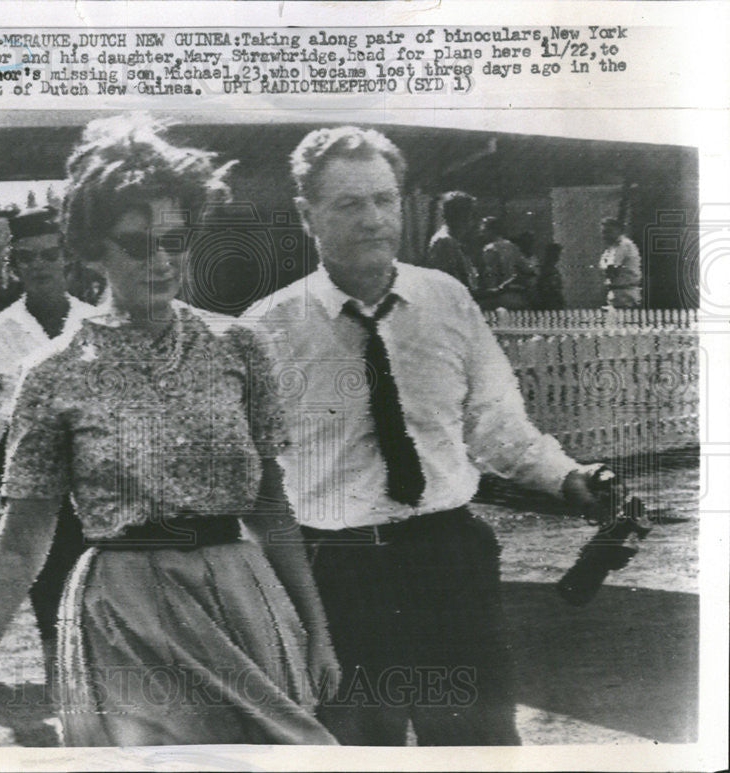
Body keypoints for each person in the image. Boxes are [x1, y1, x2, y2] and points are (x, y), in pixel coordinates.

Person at [0, 117, 339, 747]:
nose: (163, 260)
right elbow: (23, 535)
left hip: (241, 600)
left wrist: (314, 628)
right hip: (123, 612)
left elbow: (270, 502)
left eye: (175, 239)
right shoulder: (52, 374)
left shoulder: (238, 346)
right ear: (91, 250)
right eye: (137, 244)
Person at [246, 126, 615, 746]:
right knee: (357, 751)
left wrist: (568, 476)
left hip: (448, 561)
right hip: (338, 575)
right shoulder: (267, 331)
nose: (373, 219)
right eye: (350, 204)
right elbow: (253, 479)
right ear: (307, 216)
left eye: (384, 199)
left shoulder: (447, 301)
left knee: (478, 744)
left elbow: (498, 427)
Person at [0, 205, 98, 686]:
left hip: (96, 478)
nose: (39, 266)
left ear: (67, 260)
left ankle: (100, 680)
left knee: (100, 578)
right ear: (14, 267)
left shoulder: (98, 322)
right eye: (27, 258)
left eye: (49, 255)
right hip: (30, 483)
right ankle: (63, 682)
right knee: (47, 579)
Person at [475, 216, 536, 310]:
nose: (481, 233)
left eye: (484, 230)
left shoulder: (489, 249)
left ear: (491, 230)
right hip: (514, 296)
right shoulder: (512, 247)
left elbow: (490, 276)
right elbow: (529, 270)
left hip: (496, 298)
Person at [425, 191, 480, 293]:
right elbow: (453, 289)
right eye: (470, 214)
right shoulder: (445, 242)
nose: (473, 221)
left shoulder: (451, 241)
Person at [599, 216, 642, 308]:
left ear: (618, 230)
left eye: (608, 232)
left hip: (625, 295)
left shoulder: (623, 245)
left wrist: (606, 271)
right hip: (617, 293)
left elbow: (612, 271)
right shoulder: (611, 248)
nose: (605, 236)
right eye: (603, 232)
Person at [533, 242, 566, 310]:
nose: (558, 257)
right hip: (548, 302)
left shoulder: (553, 269)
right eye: (556, 254)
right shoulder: (546, 269)